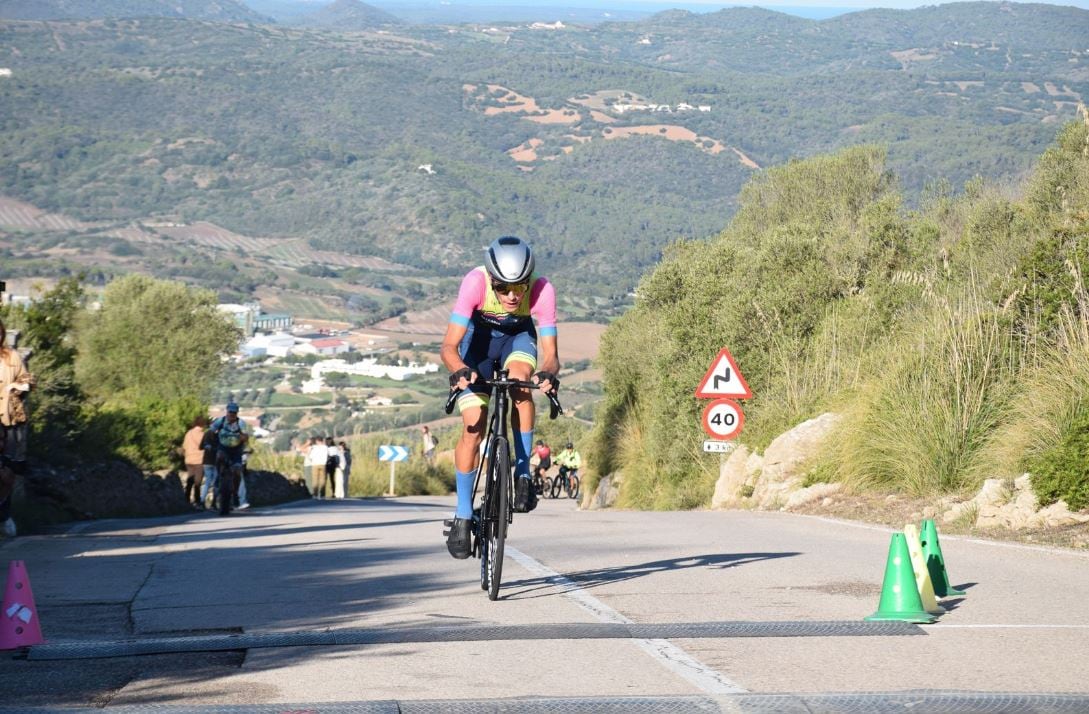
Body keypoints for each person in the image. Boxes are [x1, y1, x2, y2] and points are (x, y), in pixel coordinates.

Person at [440, 236, 560, 559]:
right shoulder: (474, 283)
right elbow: (449, 347)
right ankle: (464, 514)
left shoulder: (542, 290)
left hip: (518, 340)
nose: (511, 295)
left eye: (518, 287)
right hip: (477, 346)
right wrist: (458, 370)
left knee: (521, 383)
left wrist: (547, 373)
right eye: (503, 288)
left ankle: (522, 473)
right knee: (474, 425)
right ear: (491, 279)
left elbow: (550, 355)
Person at [0, 319, 33, 538]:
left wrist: (19, 386)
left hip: (7, 418)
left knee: (8, 471)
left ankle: (4, 516)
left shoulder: (11, 356)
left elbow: (27, 379)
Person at [209, 402, 248, 516]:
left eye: (234, 412)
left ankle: (235, 492)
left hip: (236, 450)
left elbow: (245, 436)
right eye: (230, 412)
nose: (232, 414)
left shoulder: (241, 423)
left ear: (237, 413)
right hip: (223, 448)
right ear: (227, 411)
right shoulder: (220, 421)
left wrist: (243, 439)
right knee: (219, 462)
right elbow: (211, 431)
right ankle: (216, 495)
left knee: (237, 471)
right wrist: (212, 443)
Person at [181, 416, 207, 509]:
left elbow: (184, 446)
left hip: (188, 460)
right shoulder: (203, 435)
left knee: (190, 480)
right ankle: (197, 501)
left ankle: (186, 499)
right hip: (199, 460)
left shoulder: (188, 433)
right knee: (198, 482)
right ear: (202, 425)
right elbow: (206, 447)